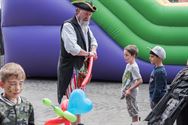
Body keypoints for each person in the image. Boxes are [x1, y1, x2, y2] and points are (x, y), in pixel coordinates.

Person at [57, 1, 98, 125]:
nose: (87, 17)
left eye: (89, 15)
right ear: (77, 11)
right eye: (85, 13)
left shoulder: (86, 27)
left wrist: (93, 50)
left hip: (81, 70)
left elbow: (94, 42)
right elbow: (72, 48)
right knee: (72, 100)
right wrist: (88, 54)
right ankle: (71, 123)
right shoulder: (68, 25)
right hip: (71, 69)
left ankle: (78, 123)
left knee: (78, 98)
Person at [121, 45, 143, 123]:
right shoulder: (128, 65)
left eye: (127, 55)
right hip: (128, 92)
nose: (124, 57)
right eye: (124, 54)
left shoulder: (134, 67)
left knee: (133, 109)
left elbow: (140, 80)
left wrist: (129, 89)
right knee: (131, 109)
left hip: (131, 93)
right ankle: (135, 121)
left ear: (133, 55)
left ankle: (135, 122)